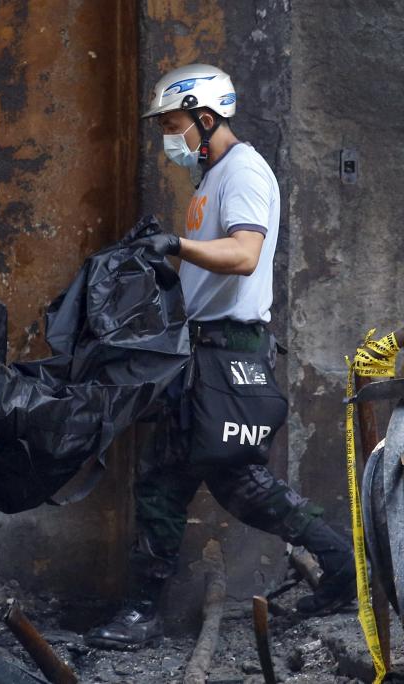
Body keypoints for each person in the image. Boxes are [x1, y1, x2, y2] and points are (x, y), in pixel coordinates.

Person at [86, 65, 355, 650]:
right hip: (206, 347)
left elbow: (244, 254)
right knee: (231, 482)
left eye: (173, 123)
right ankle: (342, 567)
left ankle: (139, 614)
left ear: (205, 119)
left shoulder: (245, 171)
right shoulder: (212, 177)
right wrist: (165, 257)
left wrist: (177, 246)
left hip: (224, 350)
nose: (167, 135)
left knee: (173, 481)